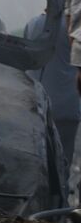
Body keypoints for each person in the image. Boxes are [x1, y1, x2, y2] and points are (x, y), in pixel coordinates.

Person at [24, 12, 80, 180]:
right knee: (62, 162)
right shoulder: (74, 29)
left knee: (36, 158)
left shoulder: (33, 23)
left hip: (35, 103)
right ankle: (59, 200)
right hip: (66, 107)